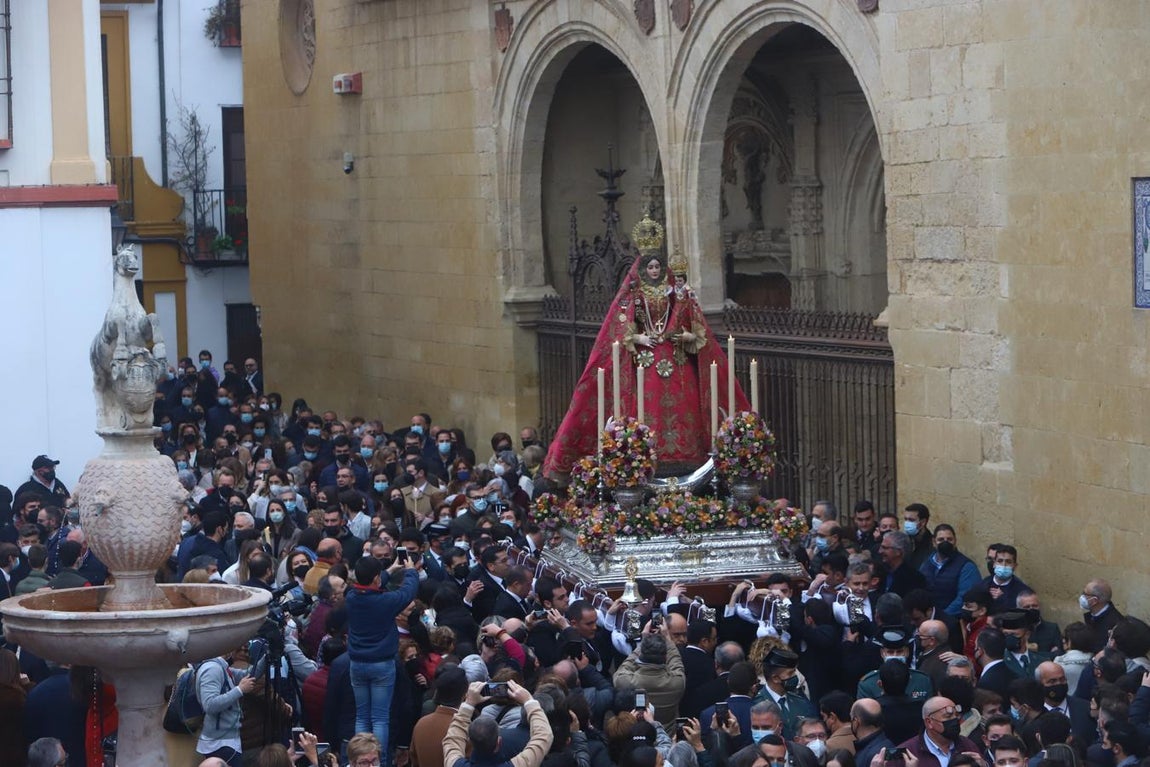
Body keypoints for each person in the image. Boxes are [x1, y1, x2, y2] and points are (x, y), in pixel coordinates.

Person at [543, 212, 748, 477]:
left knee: (681, 406)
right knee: (644, 407)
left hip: (676, 360)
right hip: (645, 362)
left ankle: (687, 456)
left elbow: (694, 326)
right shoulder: (632, 294)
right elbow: (620, 328)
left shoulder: (676, 293)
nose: (654, 271)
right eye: (649, 267)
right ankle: (642, 456)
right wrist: (638, 338)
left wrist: (684, 335)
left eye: (657, 267)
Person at [345, 553, 420, 756]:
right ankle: (379, 759)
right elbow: (408, 592)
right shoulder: (385, 601)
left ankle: (359, 758)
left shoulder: (350, 597)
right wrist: (411, 571)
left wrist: (389, 571)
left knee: (362, 716)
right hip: (381, 664)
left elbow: (369, 585)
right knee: (380, 717)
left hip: (357, 663)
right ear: (376, 578)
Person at [442, 680, 554, 767]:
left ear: (470, 741)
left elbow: (453, 740)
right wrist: (529, 701)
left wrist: (469, 703)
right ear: (499, 742)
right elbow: (544, 736)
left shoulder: (455, 764)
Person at [196, 649, 259, 766]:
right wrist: (239, 690)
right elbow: (209, 705)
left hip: (225, 741)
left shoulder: (221, 666)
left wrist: (267, 655)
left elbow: (249, 675)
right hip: (220, 743)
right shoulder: (212, 669)